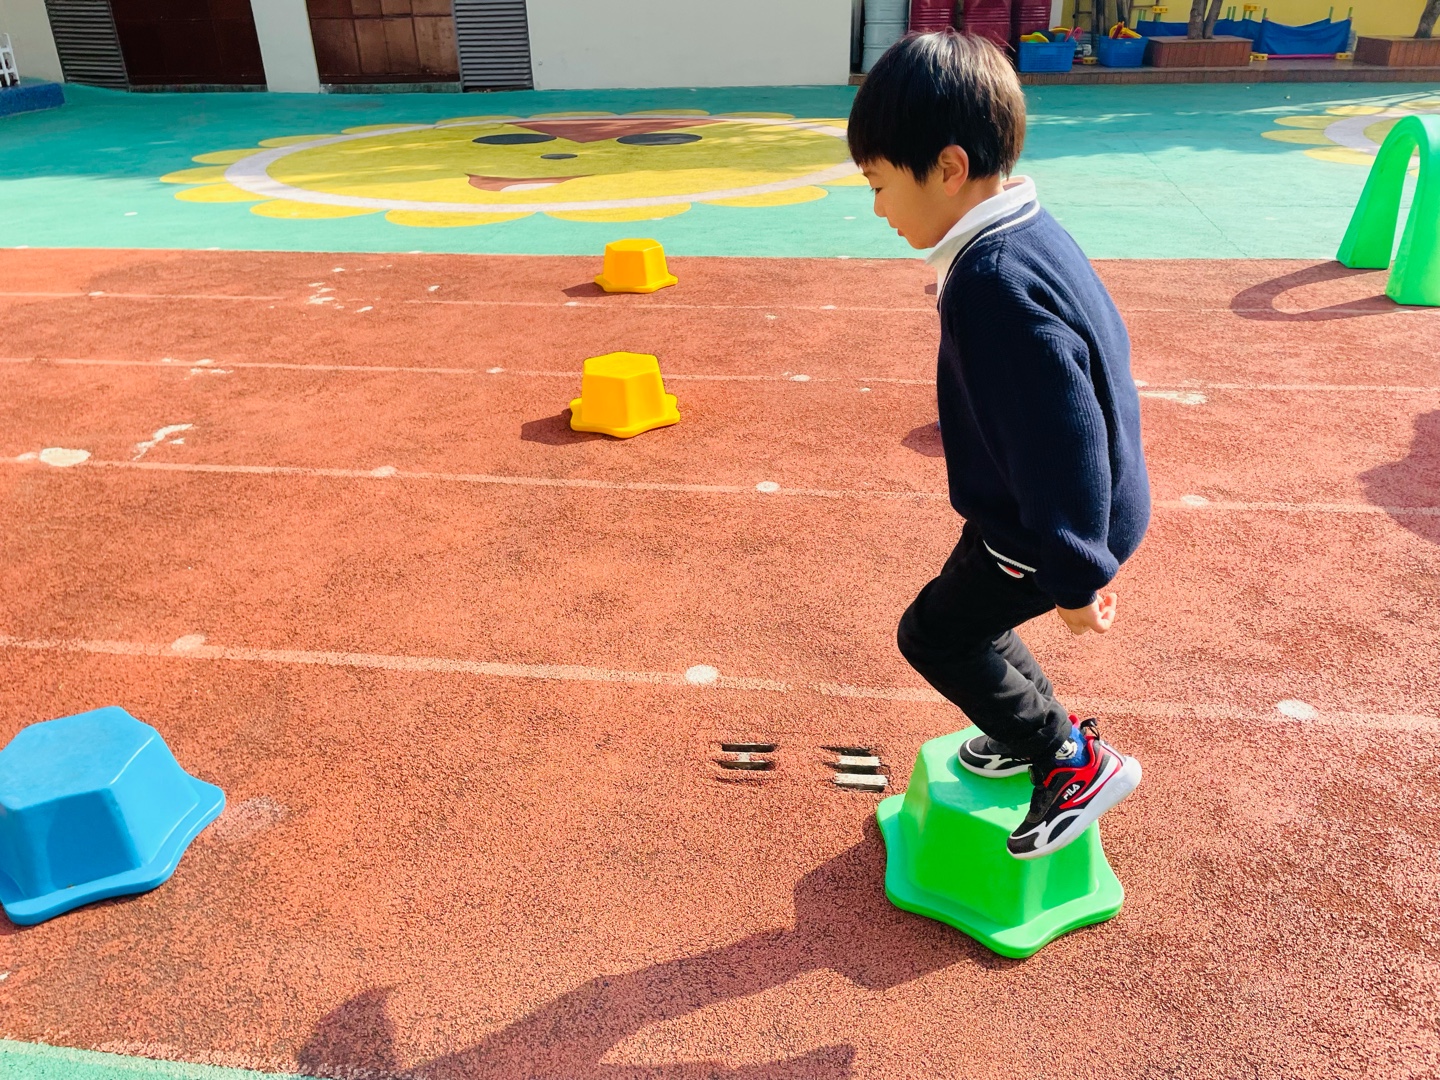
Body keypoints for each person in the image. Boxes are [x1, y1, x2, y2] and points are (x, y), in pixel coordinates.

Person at [848, 30, 1150, 859]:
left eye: (880, 184)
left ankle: (1069, 760)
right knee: (968, 613)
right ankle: (1032, 732)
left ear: (948, 168)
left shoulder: (993, 284)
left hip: (1046, 524)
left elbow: (1063, 439)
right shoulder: (1023, 233)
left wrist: (1076, 577)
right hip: (1045, 512)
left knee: (934, 635)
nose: (877, 209)